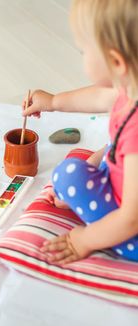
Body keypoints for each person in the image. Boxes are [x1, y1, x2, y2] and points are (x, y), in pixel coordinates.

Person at [22, 0, 138, 264]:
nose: (82, 56)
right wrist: (52, 102)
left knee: (68, 173)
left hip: (133, 233)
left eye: (84, 50)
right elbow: (97, 97)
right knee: (105, 151)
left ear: (116, 62)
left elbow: (132, 218)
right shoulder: (129, 91)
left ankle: (104, 224)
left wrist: (83, 239)